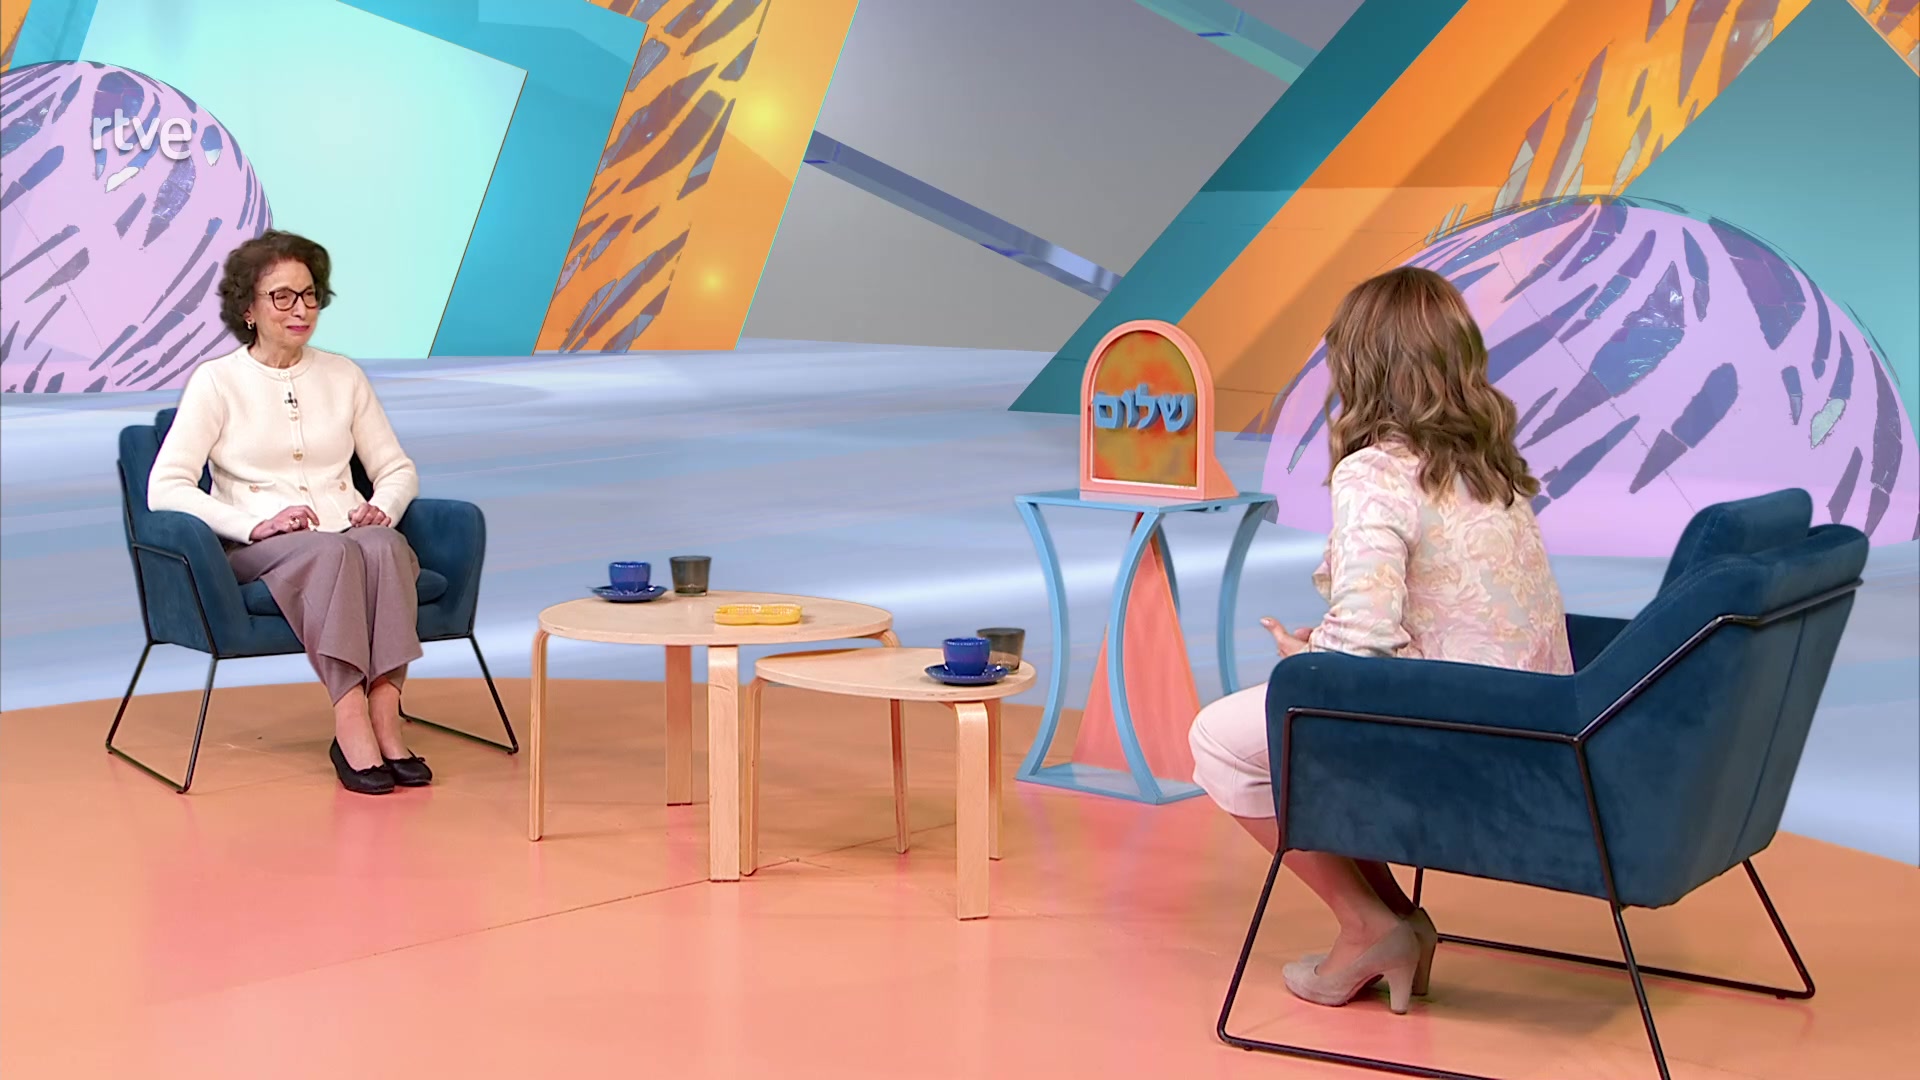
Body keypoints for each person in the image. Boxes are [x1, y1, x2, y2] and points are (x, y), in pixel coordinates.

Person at [1188, 267, 1573, 1012]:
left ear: (1360, 368)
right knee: (1292, 718)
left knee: (1220, 741)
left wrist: (1309, 662)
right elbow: (1449, 620)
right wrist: (1330, 648)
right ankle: (1398, 924)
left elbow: (1363, 640)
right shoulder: (1490, 469)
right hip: (1532, 732)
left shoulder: (1376, 472)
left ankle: (1366, 924)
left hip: (1459, 744)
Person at [148, 230, 432, 795]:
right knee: (331, 554)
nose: (300, 309)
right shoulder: (217, 381)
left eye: (309, 295)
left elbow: (397, 469)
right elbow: (166, 487)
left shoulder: (344, 375)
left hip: (344, 532)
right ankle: (349, 719)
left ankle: (386, 710)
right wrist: (253, 525)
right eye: (281, 296)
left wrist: (381, 508)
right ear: (248, 309)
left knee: (383, 546)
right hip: (259, 547)